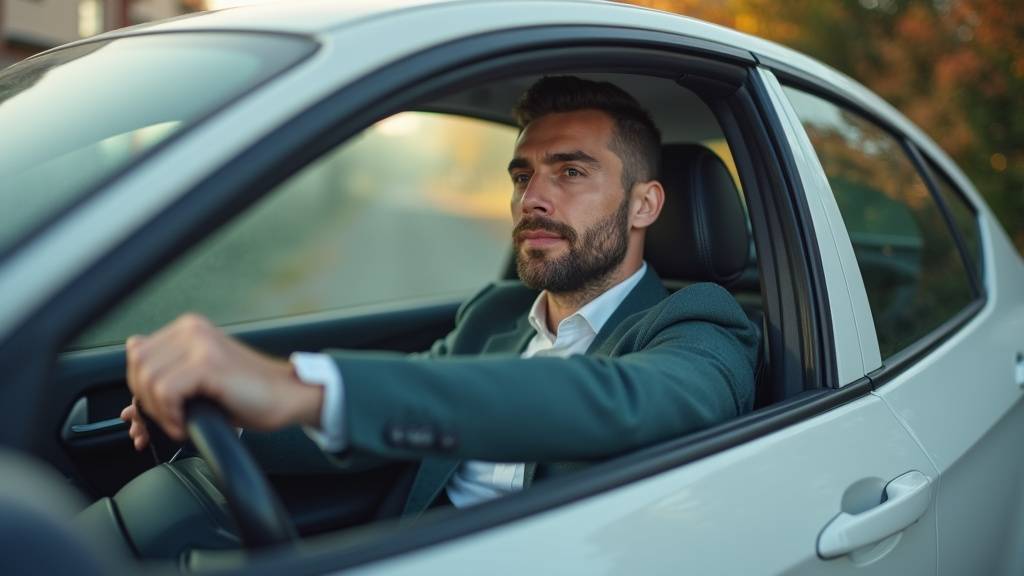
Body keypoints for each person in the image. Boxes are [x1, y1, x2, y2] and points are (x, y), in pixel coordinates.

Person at [121, 76, 760, 518]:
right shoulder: (493, 315)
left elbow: (622, 403)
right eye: (521, 174)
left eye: (570, 171)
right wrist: (223, 421)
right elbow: (390, 421)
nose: (532, 198)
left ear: (645, 204)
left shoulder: (700, 327)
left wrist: (299, 385)